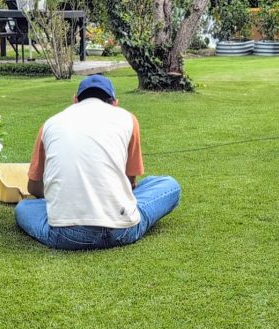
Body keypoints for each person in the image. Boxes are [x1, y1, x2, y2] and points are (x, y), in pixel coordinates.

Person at [14, 75, 181, 250]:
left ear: (75, 100)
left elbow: (33, 187)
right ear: (115, 102)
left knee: (24, 206)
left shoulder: (51, 124)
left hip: (66, 235)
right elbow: (131, 183)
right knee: (169, 185)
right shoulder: (127, 119)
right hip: (123, 229)